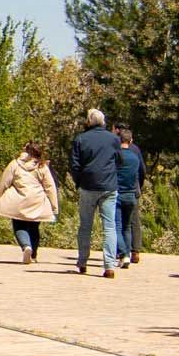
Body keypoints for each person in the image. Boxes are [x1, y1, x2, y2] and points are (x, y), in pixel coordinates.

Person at [69, 108, 122, 277]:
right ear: (103, 121)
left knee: (85, 226)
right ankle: (109, 266)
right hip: (109, 186)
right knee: (109, 226)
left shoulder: (81, 139)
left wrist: (79, 182)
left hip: (88, 186)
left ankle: (82, 262)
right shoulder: (114, 139)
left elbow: (75, 165)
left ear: (89, 121)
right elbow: (119, 160)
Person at [0, 142, 59, 265]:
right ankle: (33, 255)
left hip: (18, 200)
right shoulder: (42, 166)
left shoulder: (15, 164)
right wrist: (54, 206)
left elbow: (4, 184)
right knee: (34, 227)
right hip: (37, 200)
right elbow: (50, 187)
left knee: (19, 225)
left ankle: (26, 246)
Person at [111, 121, 146, 263]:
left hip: (119, 190)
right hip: (133, 188)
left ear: (117, 131)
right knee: (133, 222)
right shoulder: (135, 150)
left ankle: (122, 252)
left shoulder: (116, 151)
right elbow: (142, 170)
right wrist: (138, 186)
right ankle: (135, 251)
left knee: (118, 224)